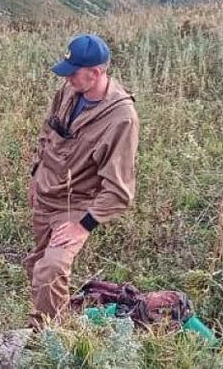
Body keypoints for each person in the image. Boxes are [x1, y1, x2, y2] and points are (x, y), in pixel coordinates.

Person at [25, 34, 139, 327]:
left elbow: (119, 190)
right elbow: (48, 134)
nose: (68, 78)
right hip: (46, 192)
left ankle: (49, 339)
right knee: (37, 266)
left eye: (74, 72)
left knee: (51, 268)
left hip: (75, 204)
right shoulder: (68, 91)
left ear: (96, 72)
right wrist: (35, 176)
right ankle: (60, 325)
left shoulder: (121, 118)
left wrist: (83, 225)